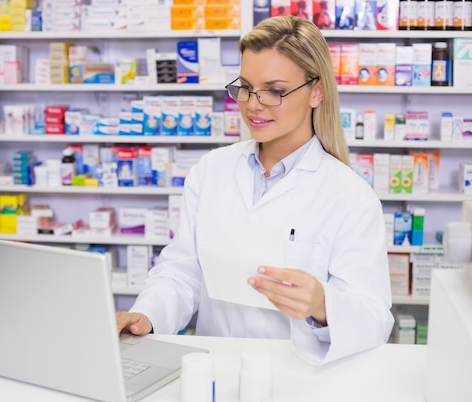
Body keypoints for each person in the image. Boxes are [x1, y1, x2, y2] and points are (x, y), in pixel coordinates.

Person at [117, 15, 394, 366]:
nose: (252, 103)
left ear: (317, 92)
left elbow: (374, 318)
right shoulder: (210, 171)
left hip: (298, 379)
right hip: (214, 368)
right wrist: (147, 316)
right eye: (245, 86)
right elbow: (182, 271)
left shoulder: (350, 196)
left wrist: (322, 305)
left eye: (275, 90)